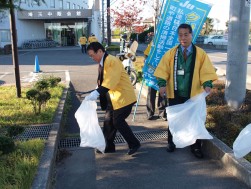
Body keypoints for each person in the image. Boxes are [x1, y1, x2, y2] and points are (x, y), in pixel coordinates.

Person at [154, 23, 218, 158]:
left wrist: (207, 84)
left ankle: (195, 147)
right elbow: (162, 70)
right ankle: (171, 142)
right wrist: (162, 84)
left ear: (191, 35)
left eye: (186, 34)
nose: (183, 37)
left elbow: (206, 71)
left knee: (194, 120)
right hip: (175, 92)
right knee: (174, 119)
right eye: (180, 35)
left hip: (193, 94)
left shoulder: (200, 54)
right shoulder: (171, 53)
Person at [85, 42, 140, 155]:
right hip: (114, 98)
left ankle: (134, 143)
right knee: (108, 122)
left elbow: (111, 80)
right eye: (90, 56)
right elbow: (105, 80)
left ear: (100, 51)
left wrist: (97, 93)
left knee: (117, 121)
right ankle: (108, 146)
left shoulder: (111, 61)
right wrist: (98, 88)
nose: (92, 58)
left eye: (92, 55)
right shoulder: (103, 62)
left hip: (123, 97)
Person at [144, 41, 167, 121]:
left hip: (163, 71)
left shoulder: (167, 42)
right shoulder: (154, 42)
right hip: (152, 71)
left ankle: (162, 113)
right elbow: (146, 55)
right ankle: (150, 113)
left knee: (163, 92)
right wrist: (148, 64)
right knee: (151, 93)